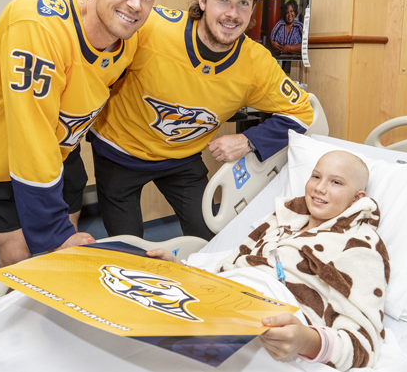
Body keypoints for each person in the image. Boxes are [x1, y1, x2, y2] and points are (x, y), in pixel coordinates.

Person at [0, 0, 165, 268]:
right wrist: (54, 233)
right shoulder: (37, 23)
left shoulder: (130, 34)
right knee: (22, 259)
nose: (135, 4)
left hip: (60, 149)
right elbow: (30, 136)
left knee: (64, 257)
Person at [90, 0, 314, 241]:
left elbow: (302, 113)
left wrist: (248, 140)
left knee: (211, 239)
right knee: (127, 245)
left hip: (181, 159)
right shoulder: (152, 28)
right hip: (119, 152)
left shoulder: (257, 63)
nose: (233, 13)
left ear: (253, 9)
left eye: (243, 3)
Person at [148, 150, 389, 370]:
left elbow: (363, 341)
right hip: (221, 296)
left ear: (357, 199)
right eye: (316, 176)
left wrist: (307, 341)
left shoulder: (359, 244)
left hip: (275, 315)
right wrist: (184, 272)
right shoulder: (282, 220)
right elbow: (232, 265)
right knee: (150, 343)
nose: (320, 188)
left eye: (336, 182)